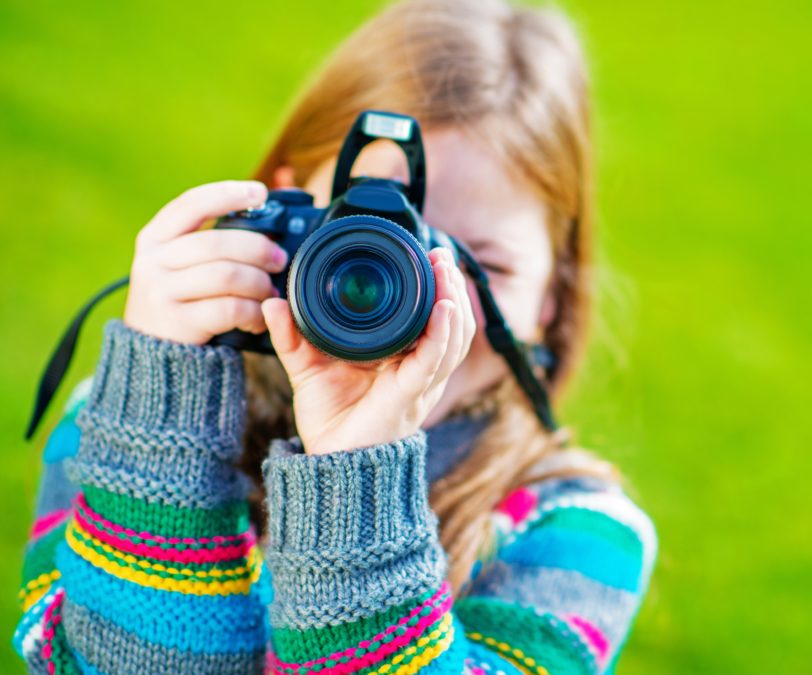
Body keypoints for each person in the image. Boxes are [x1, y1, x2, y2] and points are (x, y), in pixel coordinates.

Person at [13, 0, 658, 672]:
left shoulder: (578, 532)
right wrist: (158, 417)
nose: (420, 297)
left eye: (478, 265)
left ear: (552, 296)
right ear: (274, 219)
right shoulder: (114, 427)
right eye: (362, 246)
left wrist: (357, 489)